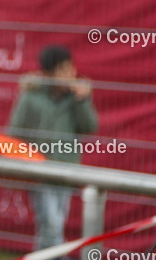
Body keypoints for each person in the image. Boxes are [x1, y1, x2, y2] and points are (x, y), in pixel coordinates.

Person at [8, 45, 98, 249]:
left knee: (55, 221)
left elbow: (89, 127)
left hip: (66, 170)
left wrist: (82, 101)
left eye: (71, 68)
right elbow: (16, 131)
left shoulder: (77, 98)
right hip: (39, 169)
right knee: (50, 222)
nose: (70, 75)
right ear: (49, 73)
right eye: (63, 70)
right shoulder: (32, 95)